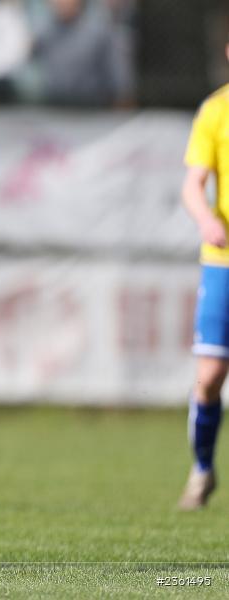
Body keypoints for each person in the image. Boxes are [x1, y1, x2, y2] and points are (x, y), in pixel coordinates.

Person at [179, 38, 229, 510]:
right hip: (224, 262)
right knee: (211, 375)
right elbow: (193, 185)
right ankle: (202, 469)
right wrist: (207, 218)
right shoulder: (216, 111)